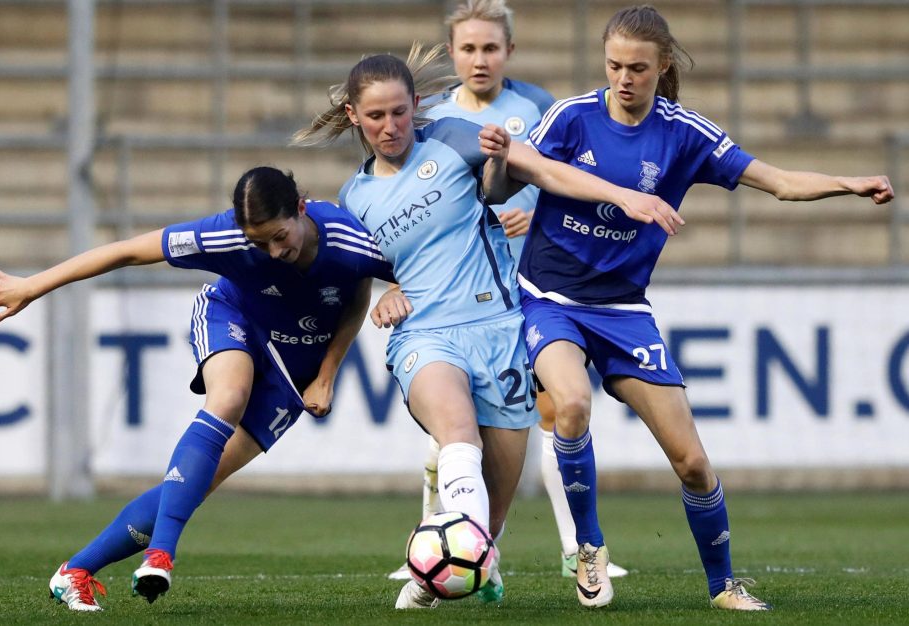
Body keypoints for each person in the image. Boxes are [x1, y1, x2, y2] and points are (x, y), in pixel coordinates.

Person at [484, 4, 895, 611]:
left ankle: (723, 586)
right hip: (551, 300)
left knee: (694, 462)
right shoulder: (573, 116)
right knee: (570, 403)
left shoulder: (685, 135)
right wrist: (512, 161)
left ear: (663, 66)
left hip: (624, 311)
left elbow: (777, 180)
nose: (623, 77)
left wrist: (848, 184)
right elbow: (517, 172)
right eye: (614, 64)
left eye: (638, 68)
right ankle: (589, 544)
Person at [294, 43, 678, 609]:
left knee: (492, 511)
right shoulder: (355, 198)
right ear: (354, 117)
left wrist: (623, 196)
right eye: (375, 116)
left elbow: (541, 172)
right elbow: (362, 280)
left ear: (416, 104)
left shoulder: (450, 138)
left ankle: (476, 557)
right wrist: (381, 302)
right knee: (457, 434)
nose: (390, 125)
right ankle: (434, 574)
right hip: (426, 336)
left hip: (498, 327)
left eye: (400, 112)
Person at [0, 166, 395, 611]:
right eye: (258, 243)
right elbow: (128, 251)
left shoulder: (349, 239)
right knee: (228, 397)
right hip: (234, 317)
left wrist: (329, 371)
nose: (272, 252)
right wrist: (34, 285)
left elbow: (374, 286)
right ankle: (162, 555)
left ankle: (74, 571)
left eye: (279, 237)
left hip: (296, 368)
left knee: (197, 482)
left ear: (302, 210)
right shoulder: (223, 235)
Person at [386, 0, 627, 583]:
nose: (479, 59)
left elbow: (565, 181)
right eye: (468, 48)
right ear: (451, 52)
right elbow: (407, 212)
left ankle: (575, 550)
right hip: (462, 299)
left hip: (536, 288)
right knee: (455, 428)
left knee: (553, 414)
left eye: (490, 48)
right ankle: (439, 542)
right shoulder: (431, 119)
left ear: (509, 52)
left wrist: (535, 211)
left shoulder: (537, 108)